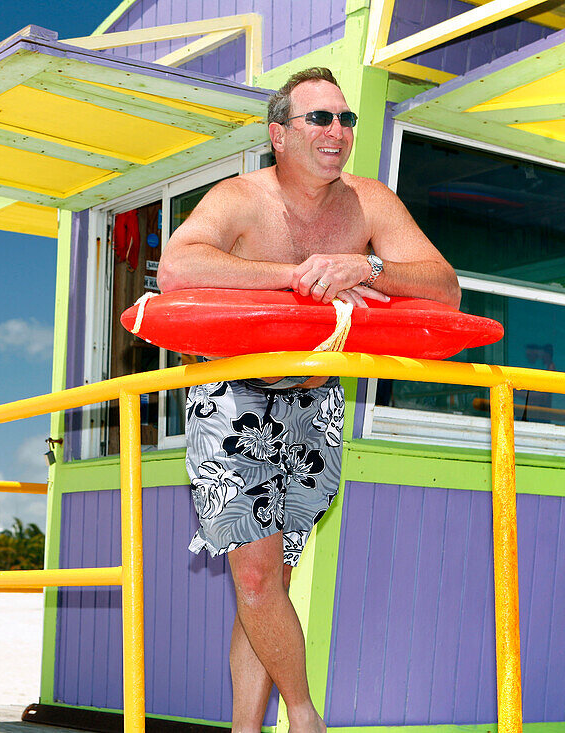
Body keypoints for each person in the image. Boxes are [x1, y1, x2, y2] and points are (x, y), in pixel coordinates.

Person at [156, 68, 460, 733]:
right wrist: (294, 278)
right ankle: (304, 716)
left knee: (267, 588)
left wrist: (369, 266)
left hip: (316, 406)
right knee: (260, 579)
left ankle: (244, 729)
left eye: (346, 119)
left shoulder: (369, 203)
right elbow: (176, 269)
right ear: (278, 134)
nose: (338, 132)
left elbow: (444, 289)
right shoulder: (239, 197)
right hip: (233, 399)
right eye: (320, 119)